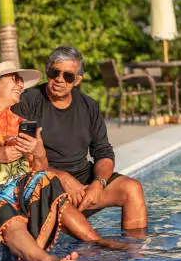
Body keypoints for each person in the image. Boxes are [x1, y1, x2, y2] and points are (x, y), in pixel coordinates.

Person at [0, 61, 127, 261]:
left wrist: (38, 151)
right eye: (14, 79)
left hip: (15, 188)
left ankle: (95, 241)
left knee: (49, 182)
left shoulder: (21, 123)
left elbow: (39, 170)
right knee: (7, 214)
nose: (21, 85)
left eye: (21, 80)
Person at [11, 45, 148, 234]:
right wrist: (61, 177)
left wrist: (98, 183)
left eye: (68, 76)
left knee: (132, 189)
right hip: (44, 180)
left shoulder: (89, 106)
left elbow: (103, 152)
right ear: (47, 72)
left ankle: (135, 253)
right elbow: (19, 160)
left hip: (83, 182)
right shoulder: (29, 102)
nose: (59, 80)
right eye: (54, 73)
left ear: (77, 80)